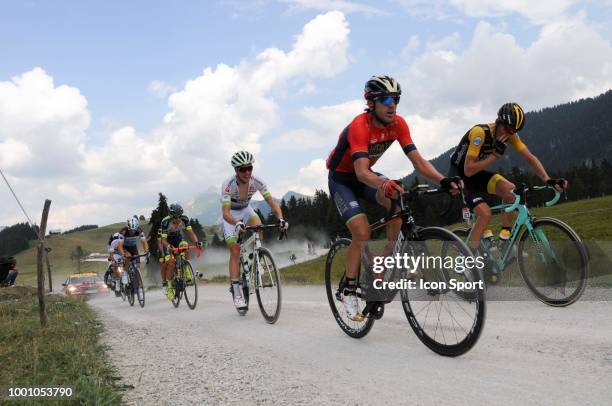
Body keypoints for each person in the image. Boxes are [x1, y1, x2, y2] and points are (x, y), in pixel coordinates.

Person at [326, 74, 459, 321]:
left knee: (398, 199)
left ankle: (383, 266)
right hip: (343, 179)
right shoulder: (359, 126)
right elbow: (362, 172)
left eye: (396, 99)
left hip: (365, 175)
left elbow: (418, 161)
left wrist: (443, 180)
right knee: (362, 232)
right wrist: (384, 182)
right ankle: (349, 289)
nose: (392, 104)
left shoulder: (398, 124)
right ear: (371, 102)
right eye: (386, 99)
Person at [448, 102, 566, 254]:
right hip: (460, 175)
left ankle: (504, 240)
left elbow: (529, 157)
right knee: (485, 214)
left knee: (511, 192)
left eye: (514, 131)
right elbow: (468, 170)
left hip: (476, 173)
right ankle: (468, 260)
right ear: (498, 122)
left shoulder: (510, 135)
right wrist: (494, 156)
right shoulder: (480, 133)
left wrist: (548, 179)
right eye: (508, 129)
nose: (509, 134)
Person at [221, 151, 289, 311]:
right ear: (236, 170)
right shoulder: (228, 184)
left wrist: (281, 219)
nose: (247, 172)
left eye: (249, 168)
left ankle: (256, 258)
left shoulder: (257, 181)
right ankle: (237, 292)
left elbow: (272, 203)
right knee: (235, 250)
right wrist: (236, 223)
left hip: (246, 209)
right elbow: (225, 212)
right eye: (243, 169)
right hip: (231, 215)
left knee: (258, 227)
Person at [159, 203, 202, 299]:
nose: (177, 219)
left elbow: (191, 233)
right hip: (168, 241)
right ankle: (169, 287)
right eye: (175, 217)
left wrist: (196, 242)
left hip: (178, 238)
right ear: (170, 216)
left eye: (179, 217)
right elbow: (163, 241)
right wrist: (169, 246)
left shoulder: (184, 219)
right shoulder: (165, 222)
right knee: (171, 262)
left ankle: (186, 270)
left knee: (185, 246)